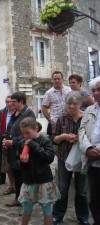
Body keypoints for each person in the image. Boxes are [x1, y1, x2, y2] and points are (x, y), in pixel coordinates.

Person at [52, 91, 90, 225]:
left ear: (80, 104)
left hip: (82, 159)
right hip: (64, 158)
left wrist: (78, 139)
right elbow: (54, 139)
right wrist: (64, 136)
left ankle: (83, 217)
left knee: (82, 191)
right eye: (69, 103)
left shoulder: (87, 117)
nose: (72, 106)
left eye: (74, 103)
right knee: (62, 189)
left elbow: (91, 137)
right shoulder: (61, 118)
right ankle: (57, 216)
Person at [17, 117, 60, 225]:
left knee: (47, 210)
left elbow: (49, 158)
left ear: (36, 129)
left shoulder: (45, 140)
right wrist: (23, 162)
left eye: (27, 132)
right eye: (23, 133)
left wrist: (32, 144)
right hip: (29, 181)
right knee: (26, 209)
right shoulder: (21, 143)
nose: (25, 136)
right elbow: (18, 163)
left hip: (44, 181)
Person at [2, 91, 35, 208]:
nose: (11, 104)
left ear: (21, 102)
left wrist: (13, 141)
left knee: (23, 177)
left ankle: (24, 200)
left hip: (22, 150)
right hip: (12, 150)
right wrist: (6, 140)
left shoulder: (28, 113)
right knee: (17, 176)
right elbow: (9, 127)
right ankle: (18, 198)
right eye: (10, 101)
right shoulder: (15, 113)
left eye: (14, 102)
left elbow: (29, 133)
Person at [78, 76, 100, 225]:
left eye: (99, 89)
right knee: (95, 199)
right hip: (93, 163)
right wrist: (87, 148)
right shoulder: (89, 110)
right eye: (94, 90)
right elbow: (81, 131)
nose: (96, 93)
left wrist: (97, 150)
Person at [42, 71, 71, 136]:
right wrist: (49, 120)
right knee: (55, 141)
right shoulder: (49, 93)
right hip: (55, 122)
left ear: (62, 79)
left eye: (59, 78)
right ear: (52, 80)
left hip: (68, 121)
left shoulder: (69, 90)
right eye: (55, 79)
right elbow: (44, 107)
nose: (57, 80)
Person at [0, 96, 16, 193]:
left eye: (10, 102)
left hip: (14, 141)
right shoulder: (2, 112)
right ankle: (11, 186)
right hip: (4, 140)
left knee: (15, 165)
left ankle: (17, 186)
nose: (9, 104)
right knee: (6, 165)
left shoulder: (18, 113)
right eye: (7, 102)